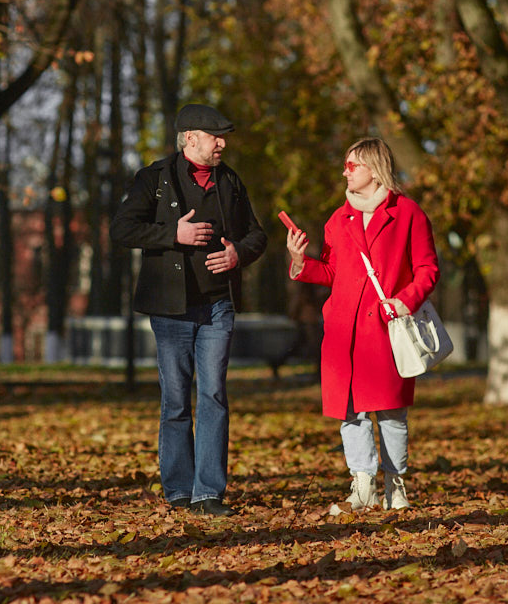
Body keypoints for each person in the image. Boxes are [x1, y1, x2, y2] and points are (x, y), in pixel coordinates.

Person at [110, 103, 268, 515]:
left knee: (213, 393)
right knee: (176, 398)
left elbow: (257, 235)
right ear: (190, 138)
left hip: (218, 306)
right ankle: (179, 490)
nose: (223, 143)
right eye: (215, 136)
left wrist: (238, 255)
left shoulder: (230, 180)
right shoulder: (154, 179)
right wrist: (172, 233)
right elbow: (122, 229)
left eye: (224, 136)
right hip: (171, 310)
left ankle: (208, 492)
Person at [285, 137, 439, 513]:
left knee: (390, 412)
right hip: (343, 331)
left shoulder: (408, 213)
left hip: (386, 328)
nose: (345, 171)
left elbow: (427, 269)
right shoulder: (339, 219)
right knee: (349, 413)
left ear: (373, 167)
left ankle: (395, 485)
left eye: (351, 165)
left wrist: (404, 301)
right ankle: (363, 485)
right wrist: (299, 261)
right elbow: (334, 272)